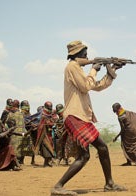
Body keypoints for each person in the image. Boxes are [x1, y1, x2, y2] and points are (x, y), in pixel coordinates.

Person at [51, 40, 127, 195]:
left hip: (79, 116)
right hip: (76, 115)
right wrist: (93, 69)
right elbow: (86, 86)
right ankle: (58, 186)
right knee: (93, 152)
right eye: (85, 54)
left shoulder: (76, 68)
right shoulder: (72, 67)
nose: (87, 56)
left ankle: (109, 183)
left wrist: (111, 71)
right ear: (77, 54)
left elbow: (96, 86)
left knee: (93, 152)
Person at [34, 101, 57, 167]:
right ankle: (46, 163)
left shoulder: (50, 114)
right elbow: (45, 124)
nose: (50, 108)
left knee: (50, 147)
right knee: (46, 148)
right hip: (43, 134)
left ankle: (48, 162)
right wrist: (50, 122)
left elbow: (53, 120)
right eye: (49, 107)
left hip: (49, 133)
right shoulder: (43, 114)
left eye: (51, 107)